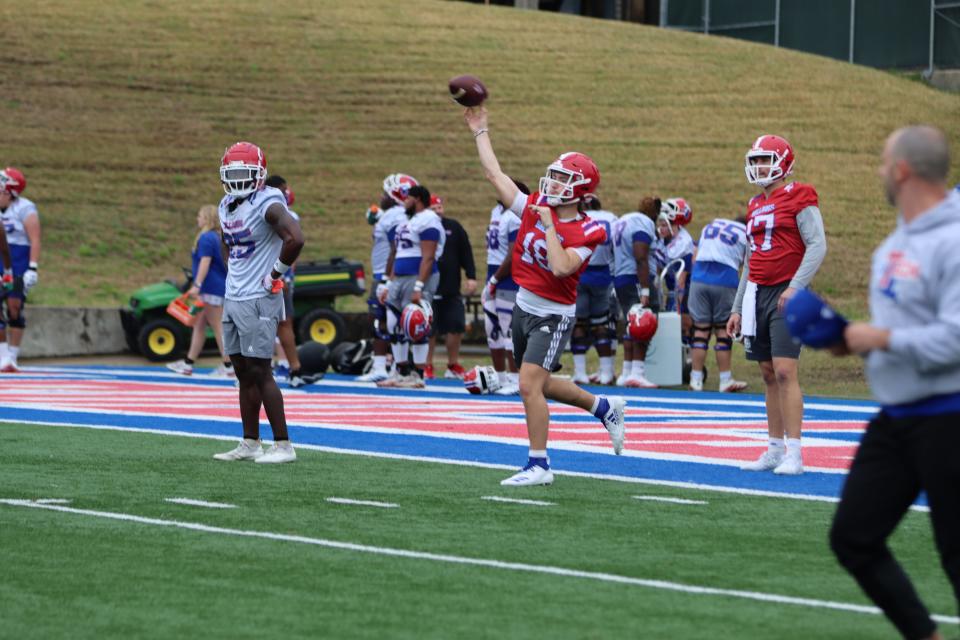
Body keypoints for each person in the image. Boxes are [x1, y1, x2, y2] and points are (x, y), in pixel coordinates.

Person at [828, 126, 959, 640]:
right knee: (854, 537)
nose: (880, 171)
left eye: (884, 162)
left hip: (950, 416)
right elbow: (897, 334)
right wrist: (846, 339)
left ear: (903, 170)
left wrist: (877, 337)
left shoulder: (952, 241)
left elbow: (953, 340)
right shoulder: (895, 243)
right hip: (898, 417)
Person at [463, 105, 626, 487]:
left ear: (580, 190)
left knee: (527, 385)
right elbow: (495, 175)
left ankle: (540, 464)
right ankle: (604, 407)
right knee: (541, 381)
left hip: (553, 315)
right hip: (523, 304)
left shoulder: (589, 230)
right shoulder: (536, 207)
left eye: (561, 179)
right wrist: (480, 130)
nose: (551, 184)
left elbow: (561, 266)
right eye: (552, 176)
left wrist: (550, 224)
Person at [727, 135, 827, 475]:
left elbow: (817, 245)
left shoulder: (800, 194)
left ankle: (795, 453)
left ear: (783, 162)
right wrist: (737, 307)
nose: (758, 166)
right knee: (768, 374)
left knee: (786, 371)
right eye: (755, 160)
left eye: (765, 159)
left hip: (787, 292)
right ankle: (773, 448)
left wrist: (796, 287)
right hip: (758, 293)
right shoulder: (755, 204)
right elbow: (752, 259)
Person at [212, 141, 304, 464]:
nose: (237, 179)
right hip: (234, 296)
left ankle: (283, 445)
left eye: (244, 173)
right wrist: (234, 270)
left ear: (259, 174)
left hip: (259, 298)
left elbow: (296, 237)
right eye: (232, 173)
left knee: (261, 370)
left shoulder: (268, 202)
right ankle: (250, 442)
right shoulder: (226, 205)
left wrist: (274, 273)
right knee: (242, 373)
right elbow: (226, 242)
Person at [378, 184, 445, 388]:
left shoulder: (428, 219)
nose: (404, 202)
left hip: (417, 276)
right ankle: (401, 371)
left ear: (417, 199)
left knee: (416, 324)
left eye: (407, 198)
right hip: (399, 277)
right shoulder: (409, 221)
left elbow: (428, 256)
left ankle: (418, 374)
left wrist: (419, 285)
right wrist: (388, 282)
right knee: (393, 324)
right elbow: (398, 254)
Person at [358, 174, 417, 382]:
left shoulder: (395, 215)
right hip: (390, 272)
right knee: (387, 320)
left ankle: (382, 365)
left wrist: (386, 278)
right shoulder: (396, 214)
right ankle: (389, 365)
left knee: (381, 319)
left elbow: (395, 246)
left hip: (387, 273)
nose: (381, 196)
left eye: (385, 193)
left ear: (395, 195)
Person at [166, 205, 232, 378]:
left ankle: (229, 365)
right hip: (215, 287)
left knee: (218, 326)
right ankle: (188, 363)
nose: (197, 219)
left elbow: (205, 262)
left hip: (209, 288)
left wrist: (197, 284)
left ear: (207, 219)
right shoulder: (217, 237)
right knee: (199, 325)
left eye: (200, 216)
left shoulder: (206, 238)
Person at [687, 214, 749, 392]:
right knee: (723, 331)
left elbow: (694, 257)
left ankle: (695, 379)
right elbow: (749, 263)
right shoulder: (746, 232)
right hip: (725, 279)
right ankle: (725, 379)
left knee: (700, 331)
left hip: (698, 278)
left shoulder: (710, 224)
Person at [264, 174, 311, 388]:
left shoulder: (283, 214)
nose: (286, 194)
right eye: (282, 190)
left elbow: (295, 243)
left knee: (283, 322)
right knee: (269, 323)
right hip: (266, 275)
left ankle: (294, 368)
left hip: (275, 276)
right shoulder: (264, 211)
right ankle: (281, 368)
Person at [484, 179, 529, 393]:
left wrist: (495, 279)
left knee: (509, 329)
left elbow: (514, 254)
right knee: (492, 329)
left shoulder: (515, 216)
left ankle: (515, 377)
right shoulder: (497, 211)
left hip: (508, 278)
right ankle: (501, 378)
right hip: (493, 273)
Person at [426, 194, 477, 380]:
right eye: (433, 209)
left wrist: (471, 276)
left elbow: (466, 252)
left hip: (451, 287)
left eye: (439, 208)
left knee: (455, 327)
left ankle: (452, 364)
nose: (437, 212)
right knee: (428, 329)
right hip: (428, 287)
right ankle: (427, 365)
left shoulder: (453, 227)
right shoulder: (422, 226)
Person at [612, 196, 660, 388]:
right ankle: (637, 372)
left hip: (621, 276)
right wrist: (646, 288)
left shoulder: (622, 220)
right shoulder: (644, 222)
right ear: (655, 213)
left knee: (631, 323)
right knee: (644, 321)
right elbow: (641, 255)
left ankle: (626, 372)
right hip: (635, 278)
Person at [571, 193, 618, 385]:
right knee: (601, 324)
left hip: (579, 272)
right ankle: (606, 371)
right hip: (603, 275)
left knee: (579, 324)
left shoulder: (577, 218)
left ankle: (580, 371)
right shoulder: (611, 218)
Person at [0, 168, 40, 373]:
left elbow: (34, 239)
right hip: (1, 257)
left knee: (14, 306)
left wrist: (32, 267)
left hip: (19, 259)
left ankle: (13, 356)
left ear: (11, 192)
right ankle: (3, 355)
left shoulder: (25, 208)